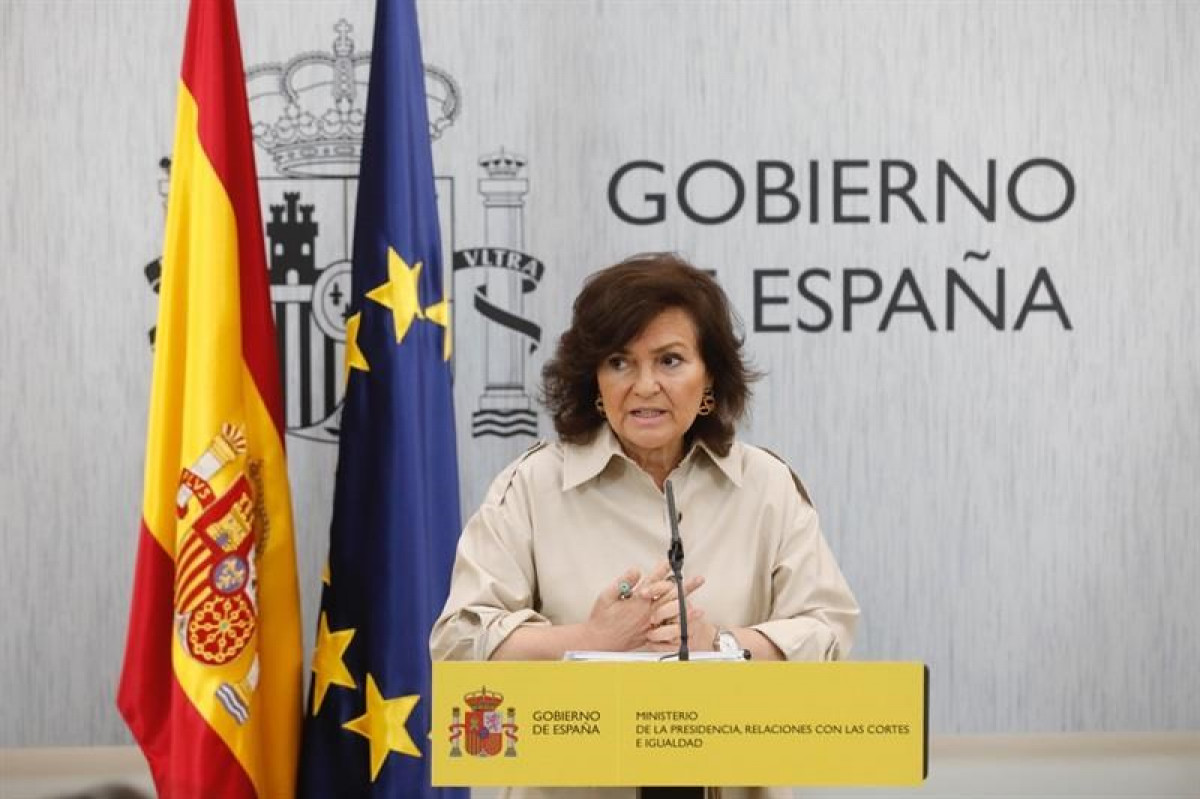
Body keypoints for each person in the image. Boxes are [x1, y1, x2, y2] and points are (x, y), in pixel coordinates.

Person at [430, 253, 859, 799]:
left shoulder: (766, 485)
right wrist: (588, 642)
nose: (645, 385)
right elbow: (458, 643)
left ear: (710, 377)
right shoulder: (531, 486)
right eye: (620, 362)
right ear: (594, 379)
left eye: (670, 360)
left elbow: (829, 631)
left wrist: (722, 645)